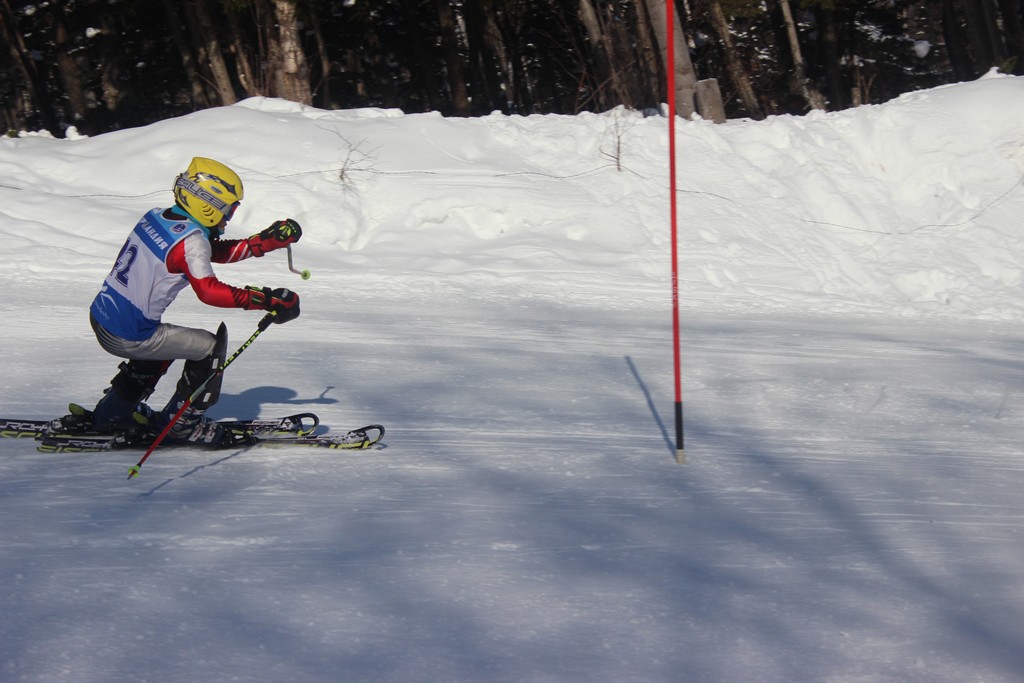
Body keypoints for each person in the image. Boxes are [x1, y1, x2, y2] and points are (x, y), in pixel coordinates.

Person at [83, 157, 302, 445]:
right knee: (209, 347)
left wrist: (263, 242)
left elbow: (208, 251)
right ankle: (183, 426)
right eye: (229, 210)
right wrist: (265, 300)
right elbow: (209, 291)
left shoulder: (156, 216)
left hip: (102, 317)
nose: (228, 219)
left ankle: (112, 413)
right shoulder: (192, 241)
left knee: (159, 351)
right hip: (130, 336)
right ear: (208, 206)